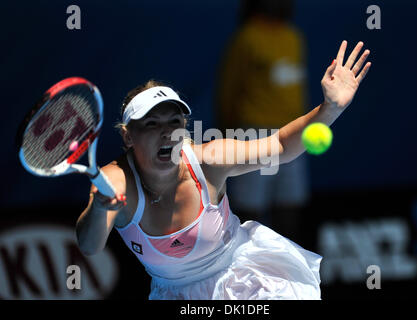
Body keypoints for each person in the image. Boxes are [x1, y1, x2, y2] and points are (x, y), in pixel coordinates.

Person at [75, 40, 371, 299]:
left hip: (243, 280)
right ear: (128, 136)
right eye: (151, 124)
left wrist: (330, 108)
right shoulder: (115, 180)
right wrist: (100, 208)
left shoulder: (210, 160)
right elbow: (89, 246)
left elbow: (281, 145)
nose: (167, 133)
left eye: (174, 122)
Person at [216, 0, 311, 239]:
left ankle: (288, 265)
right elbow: (229, 88)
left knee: (290, 202)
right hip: (254, 134)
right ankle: (248, 264)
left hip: (295, 133)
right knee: (250, 206)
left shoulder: (294, 37)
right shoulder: (246, 38)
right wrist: (227, 131)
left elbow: (298, 88)